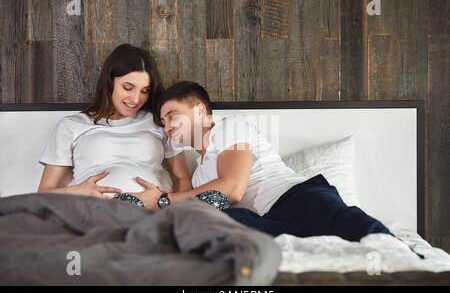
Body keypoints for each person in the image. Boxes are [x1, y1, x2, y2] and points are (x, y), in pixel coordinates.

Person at [129, 81, 392, 242]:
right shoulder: (199, 179)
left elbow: (232, 189)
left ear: (199, 110)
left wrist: (163, 199)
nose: (167, 127)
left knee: (352, 227)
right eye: (163, 122)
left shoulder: (229, 128)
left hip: (296, 197)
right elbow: (187, 208)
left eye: (172, 116)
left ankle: (414, 266)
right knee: (216, 223)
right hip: (268, 221)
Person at [38, 44, 191, 200]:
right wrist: (78, 191)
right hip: (92, 212)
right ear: (110, 82)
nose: (136, 99)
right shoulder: (72, 125)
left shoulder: (160, 122)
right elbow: (44, 192)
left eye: (145, 91)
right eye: (128, 87)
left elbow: (182, 179)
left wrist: (167, 205)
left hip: (149, 215)